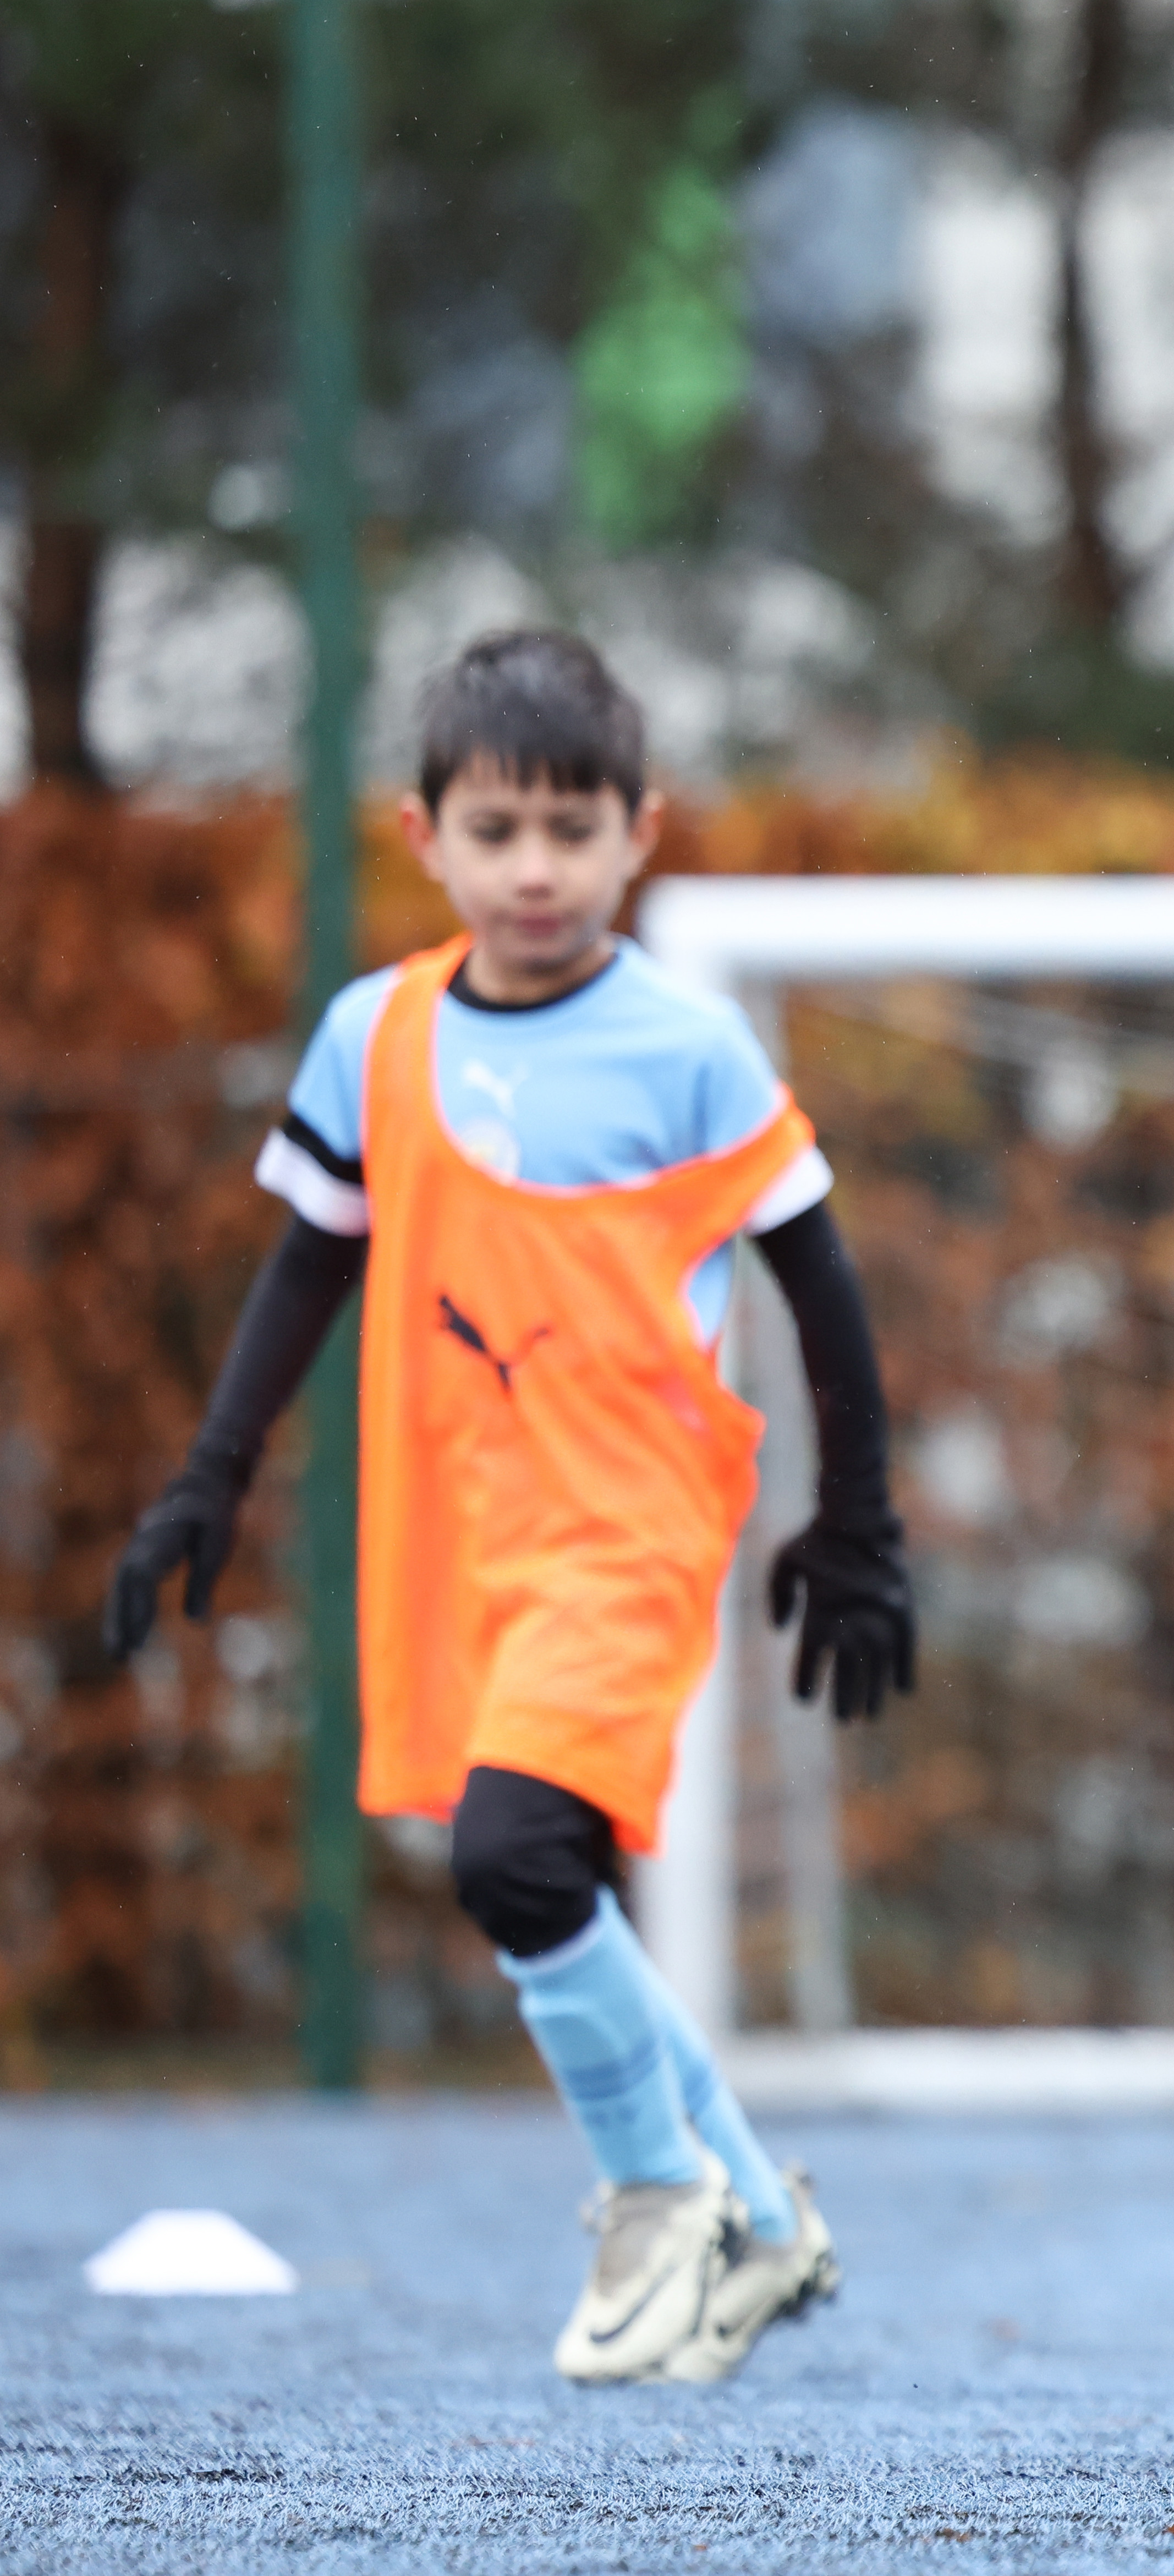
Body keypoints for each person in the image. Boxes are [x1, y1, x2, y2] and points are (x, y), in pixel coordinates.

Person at [103, 628, 913, 2386]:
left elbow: (820, 1280)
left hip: (631, 1526)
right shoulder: (373, 1034)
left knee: (514, 1855)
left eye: (571, 826)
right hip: (457, 1530)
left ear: (640, 831)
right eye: (496, 829)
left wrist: (860, 1521)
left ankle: (658, 2199)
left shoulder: (688, 1046)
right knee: (552, 1879)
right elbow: (308, 1266)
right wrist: (208, 1475)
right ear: (426, 836)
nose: (534, 866)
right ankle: (761, 2214)